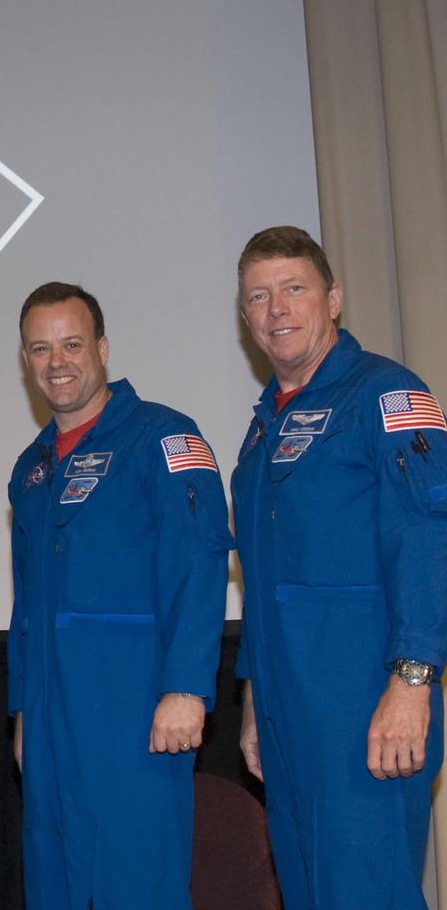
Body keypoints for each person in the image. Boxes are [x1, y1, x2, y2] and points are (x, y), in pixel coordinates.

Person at [232, 226, 447, 909]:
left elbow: (427, 536)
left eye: (294, 289)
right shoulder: (264, 425)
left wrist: (413, 681)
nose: (277, 310)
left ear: (334, 299)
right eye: (259, 297)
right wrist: (253, 701)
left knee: (367, 893)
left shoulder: (386, 394)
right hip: (287, 709)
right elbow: (263, 582)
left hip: (365, 702)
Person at [7, 282, 231, 908]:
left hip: (135, 711)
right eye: (40, 349)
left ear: (102, 348)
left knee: (137, 881)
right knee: (54, 879)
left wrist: (186, 688)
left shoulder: (163, 438)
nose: (57, 362)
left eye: (72, 344)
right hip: (51, 720)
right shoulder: (31, 469)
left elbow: (199, 563)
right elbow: (26, 604)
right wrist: (24, 710)